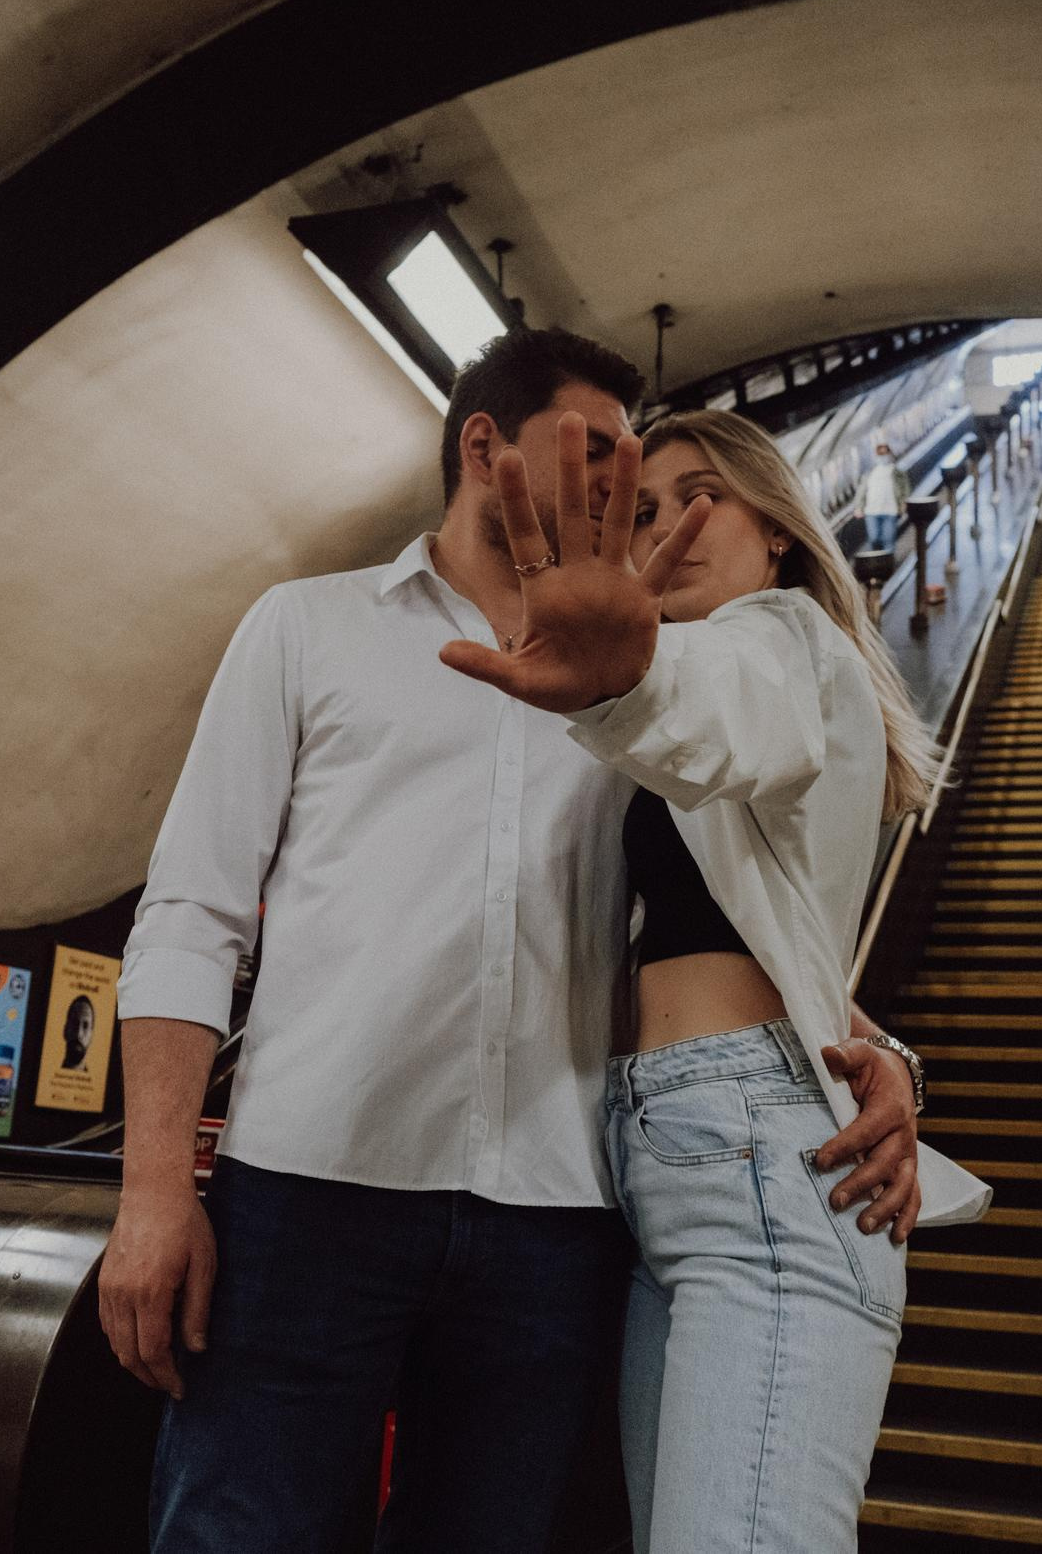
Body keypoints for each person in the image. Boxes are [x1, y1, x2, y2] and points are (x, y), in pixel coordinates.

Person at [96, 326, 931, 1554]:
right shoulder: (306, 627)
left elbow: (749, 888)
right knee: (238, 1534)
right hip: (314, 1185)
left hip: (560, 1212)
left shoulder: (650, 671)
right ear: (483, 446)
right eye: (598, 455)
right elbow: (189, 915)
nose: (616, 491)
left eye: (643, 477)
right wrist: (154, 1189)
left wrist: (874, 1054)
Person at [440, 407, 991, 1554]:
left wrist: (621, 679)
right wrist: (886, 1052)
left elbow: (717, 716)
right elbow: (756, 929)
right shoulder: (707, 688)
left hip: (759, 1160)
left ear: (777, 530)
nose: (671, 526)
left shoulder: (781, 640)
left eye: (702, 497)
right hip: (670, 1164)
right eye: (643, 509)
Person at [858, 440, 908, 551]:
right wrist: (859, 507)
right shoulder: (870, 473)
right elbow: (862, 491)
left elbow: (905, 489)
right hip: (871, 511)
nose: (883, 457)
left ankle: (888, 565)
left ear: (890, 454)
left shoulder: (897, 473)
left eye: (885, 454)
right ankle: (876, 563)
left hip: (890, 510)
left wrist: (903, 503)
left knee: (888, 539)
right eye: (880, 454)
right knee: (874, 538)